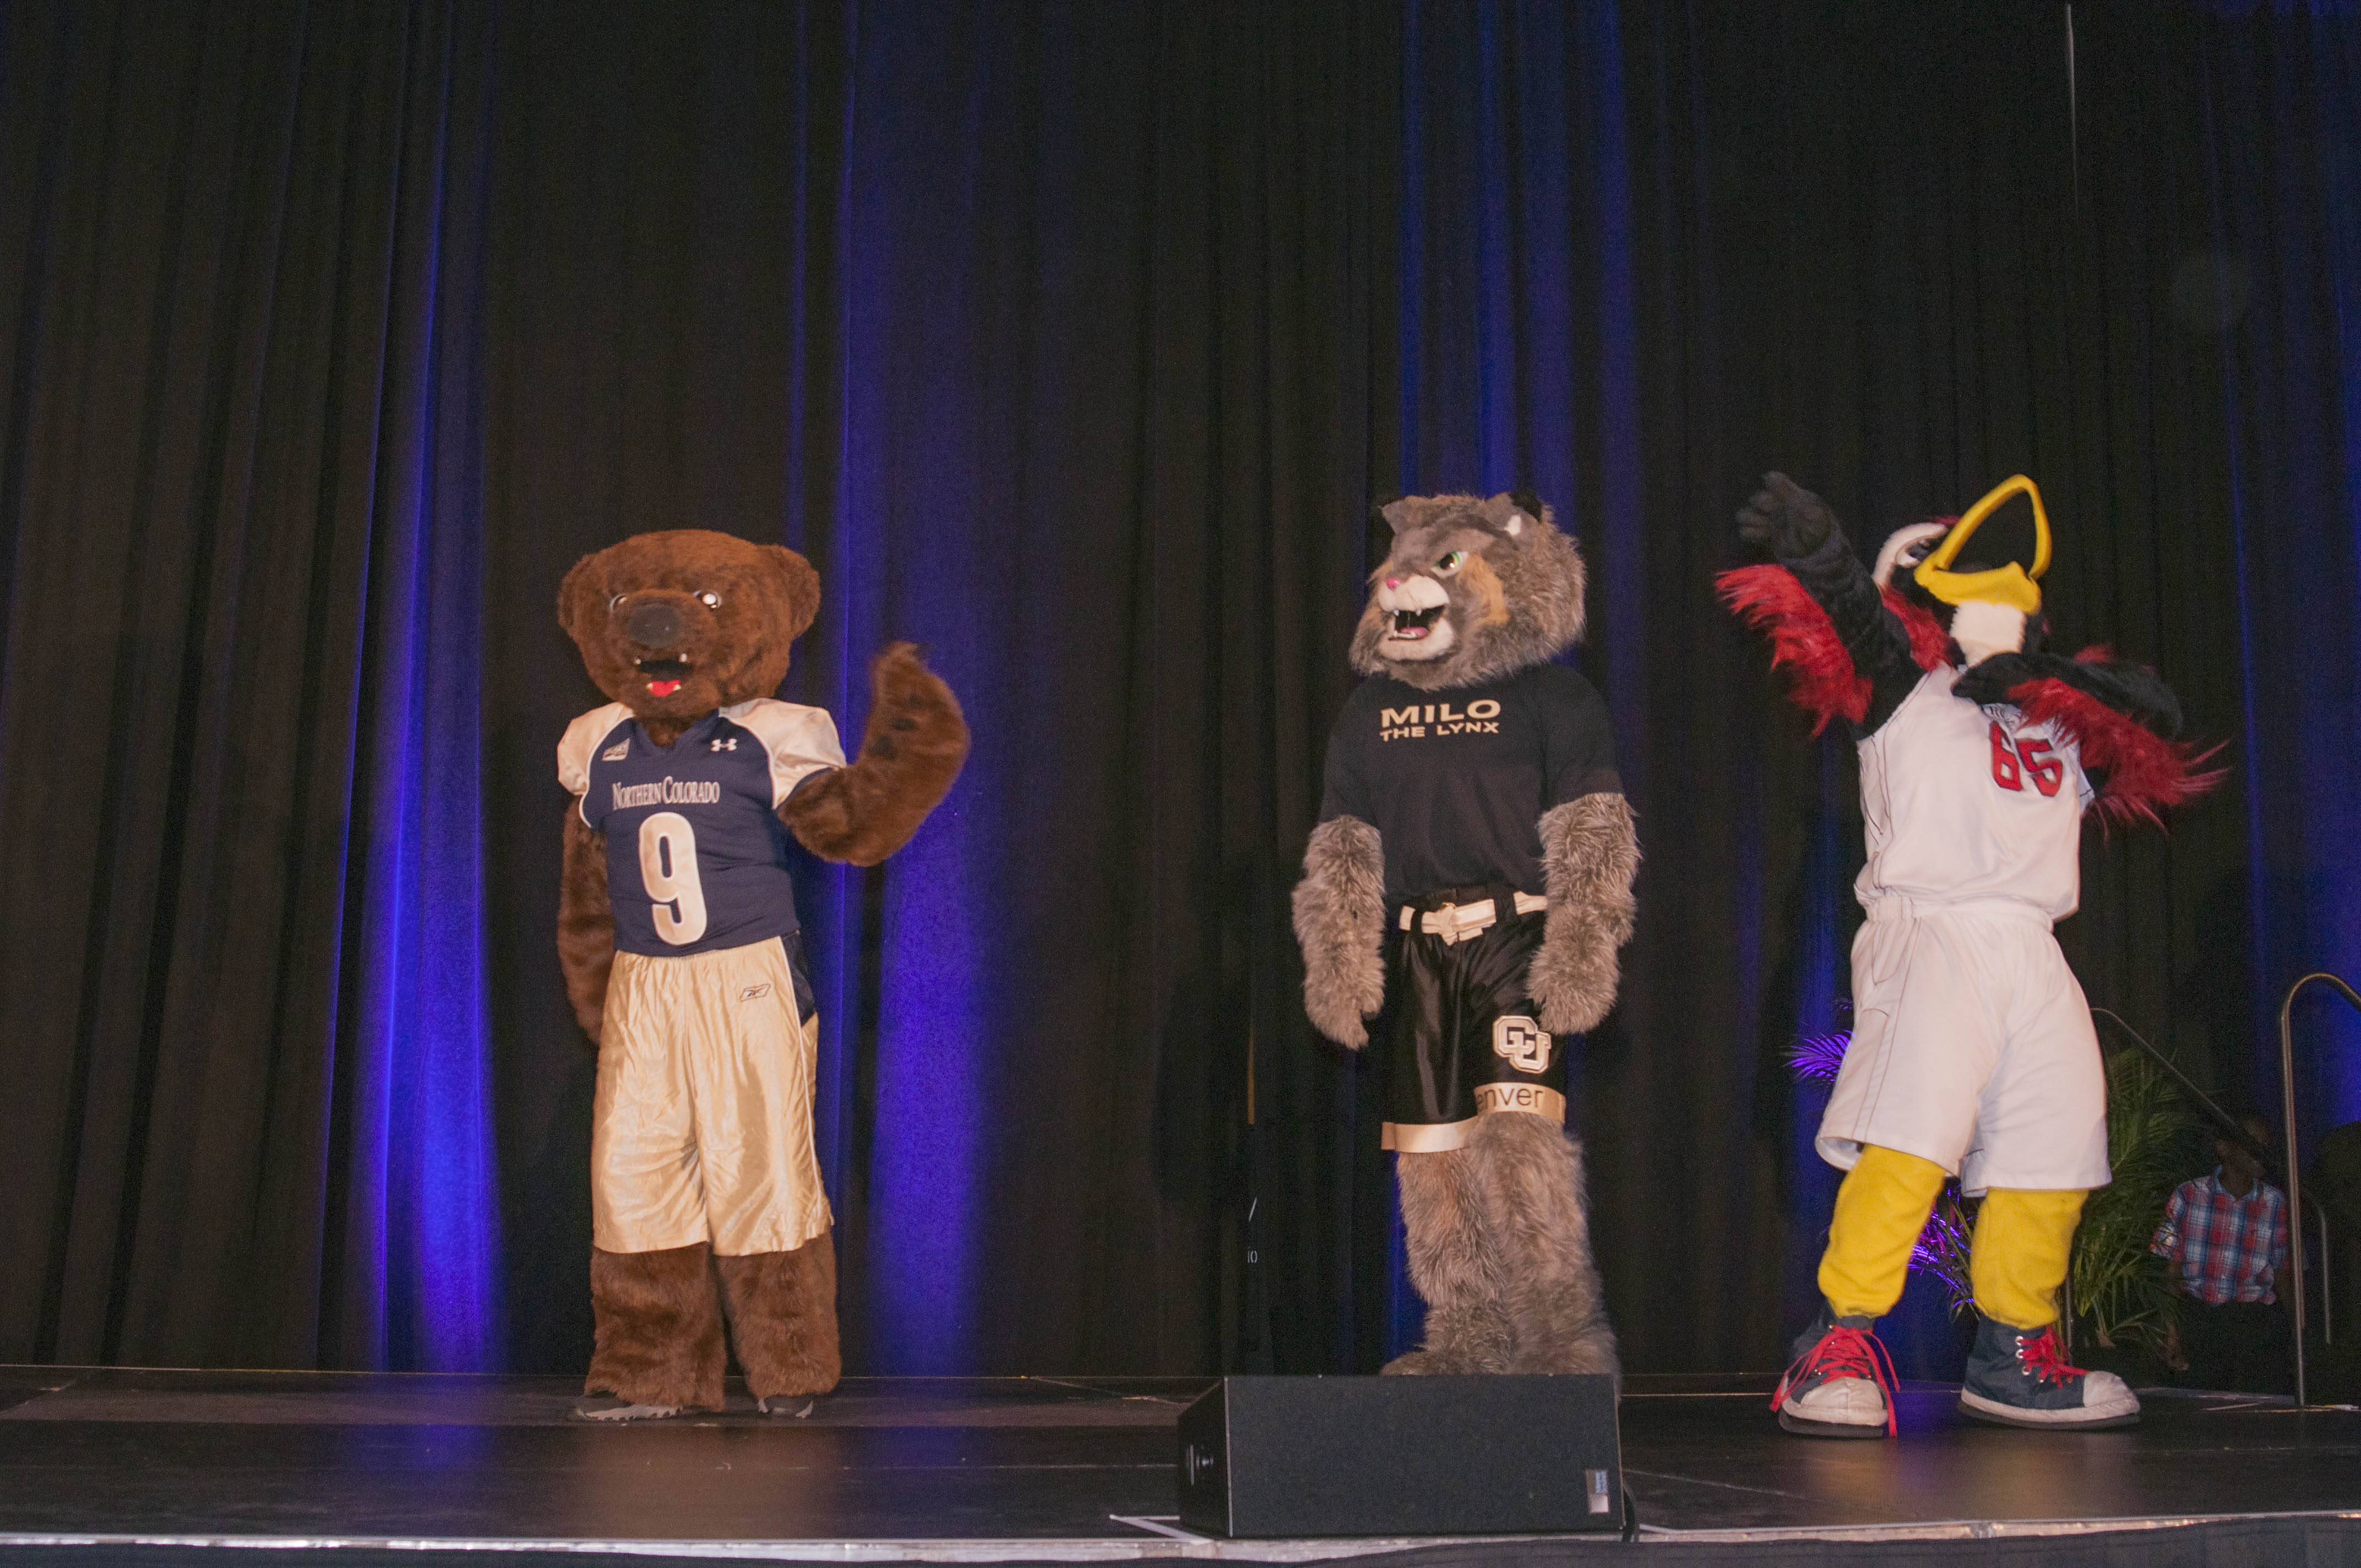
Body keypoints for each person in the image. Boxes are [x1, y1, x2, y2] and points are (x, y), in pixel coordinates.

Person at [2153, 1113, 2290, 1394]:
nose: (2262, 1153)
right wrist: (2170, 1333)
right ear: (2225, 1149)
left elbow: (2283, 1271)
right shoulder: (2188, 1195)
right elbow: (2170, 1271)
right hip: (2202, 1321)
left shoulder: (2274, 1201)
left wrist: (2296, 1332)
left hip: (2256, 1323)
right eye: (2253, 1144)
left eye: (2266, 1145)